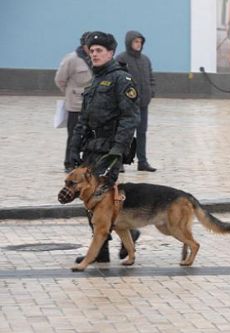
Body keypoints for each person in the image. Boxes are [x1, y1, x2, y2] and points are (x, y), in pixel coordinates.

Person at [69, 31, 140, 264]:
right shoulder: (95, 81)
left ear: (110, 52)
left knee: (104, 199)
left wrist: (119, 148)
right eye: (92, 51)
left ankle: (125, 234)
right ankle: (102, 250)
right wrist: (73, 148)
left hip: (110, 149)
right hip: (91, 149)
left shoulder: (121, 79)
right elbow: (83, 120)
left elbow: (130, 118)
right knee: (89, 199)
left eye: (100, 50)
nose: (95, 54)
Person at [116, 30, 156, 172]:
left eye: (140, 42)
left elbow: (151, 78)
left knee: (141, 133)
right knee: (126, 134)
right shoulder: (121, 59)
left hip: (143, 105)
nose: (138, 44)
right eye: (135, 41)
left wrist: (151, 92)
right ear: (129, 42)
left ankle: (142, 162)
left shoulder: (145, 60)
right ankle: (120, 162)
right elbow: (118, 81)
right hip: (128, 106)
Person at [55, 31, 93, 173]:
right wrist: (69, 94)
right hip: (75, 105)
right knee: (73, 136)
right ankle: (69, 163)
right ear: (83, 45)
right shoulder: (71, 59)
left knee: (90, 135)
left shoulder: (97, 58)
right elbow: (60, 80)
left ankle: (86, 163)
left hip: (92, 105)